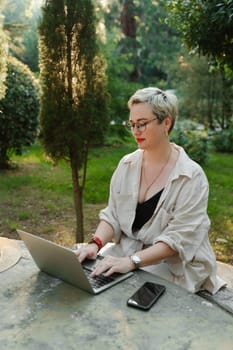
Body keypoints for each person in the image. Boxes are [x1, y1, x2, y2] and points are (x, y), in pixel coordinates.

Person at [75, 87, 225, 294]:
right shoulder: (126, 164)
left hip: (175, 265)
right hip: (130, 254)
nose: (136, 131)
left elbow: (177, 241)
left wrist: (132, 261)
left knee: (125, 295)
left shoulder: (192, 177)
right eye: (132, 124)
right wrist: (95, 244)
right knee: (88, 281)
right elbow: (113, 215)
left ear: (166, 123)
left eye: (143, 124)